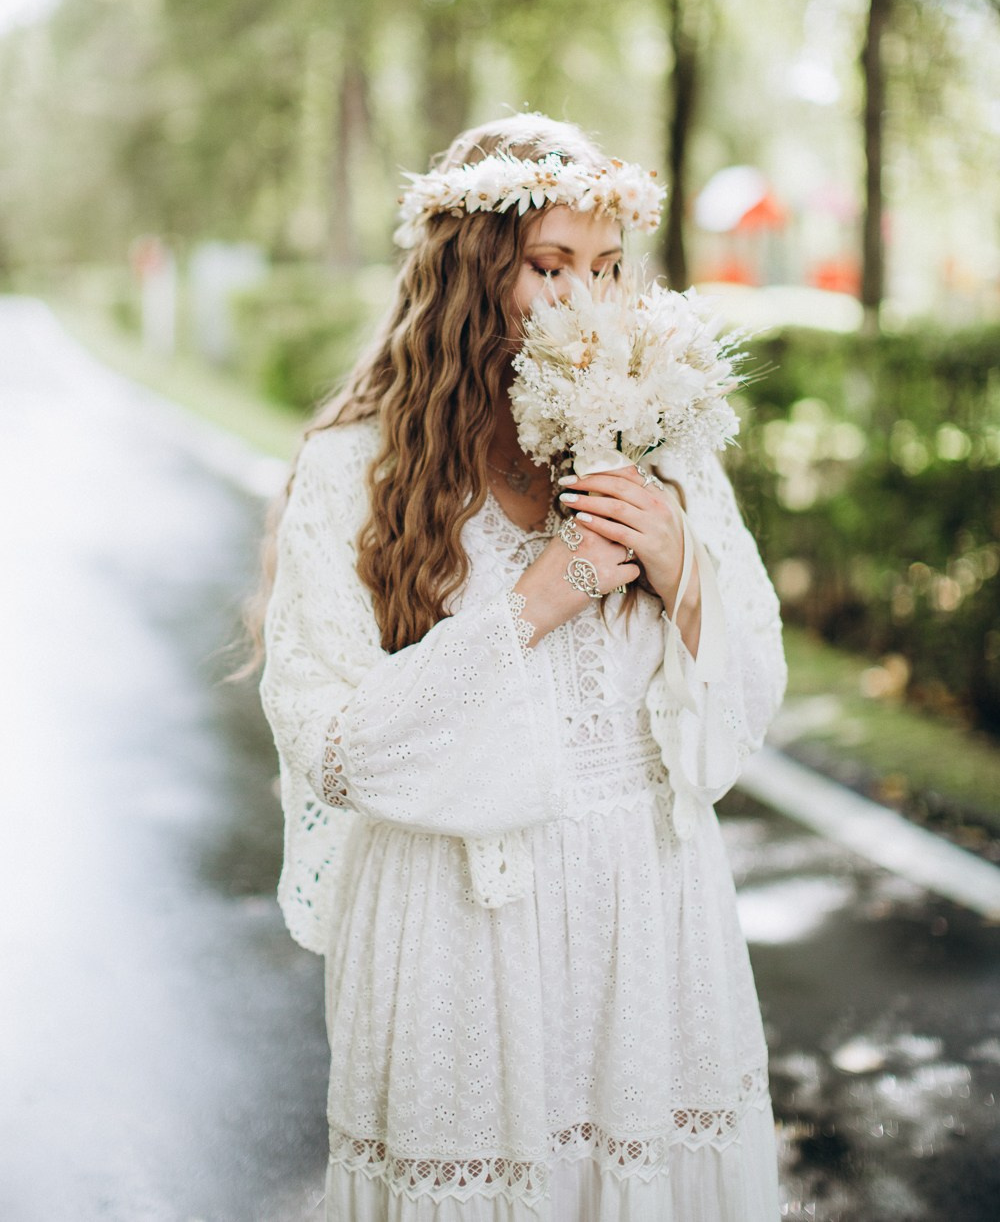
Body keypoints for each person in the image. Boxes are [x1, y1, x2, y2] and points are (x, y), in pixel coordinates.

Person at [255, 113, 787, 1220]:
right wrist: (541, 599)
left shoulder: (661, 448)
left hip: (649, 908)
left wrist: (674, 558)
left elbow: (754, 686)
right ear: (468, 277)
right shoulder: (352, 472)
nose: (583, 301)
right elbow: (334, 747)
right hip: (461, 930)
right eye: (548, 268)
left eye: (604, 269)